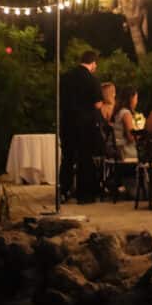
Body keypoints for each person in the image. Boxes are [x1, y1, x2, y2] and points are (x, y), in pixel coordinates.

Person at [59, 51, 104, 203]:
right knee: (85, 158)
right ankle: (84, 195)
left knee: (68, 158)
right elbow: (97, 104)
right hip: (85, 125)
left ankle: (63, 190)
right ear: (93, 63)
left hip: (67, 123)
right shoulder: (92, 80)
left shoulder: (65, 78)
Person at [111, 86, 139, 160]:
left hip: (119, 150)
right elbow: (130, 137)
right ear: (131, 99)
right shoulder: (126, 113)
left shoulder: (118, 112)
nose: (137, 102)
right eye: (136, 99)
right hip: (127, 151)